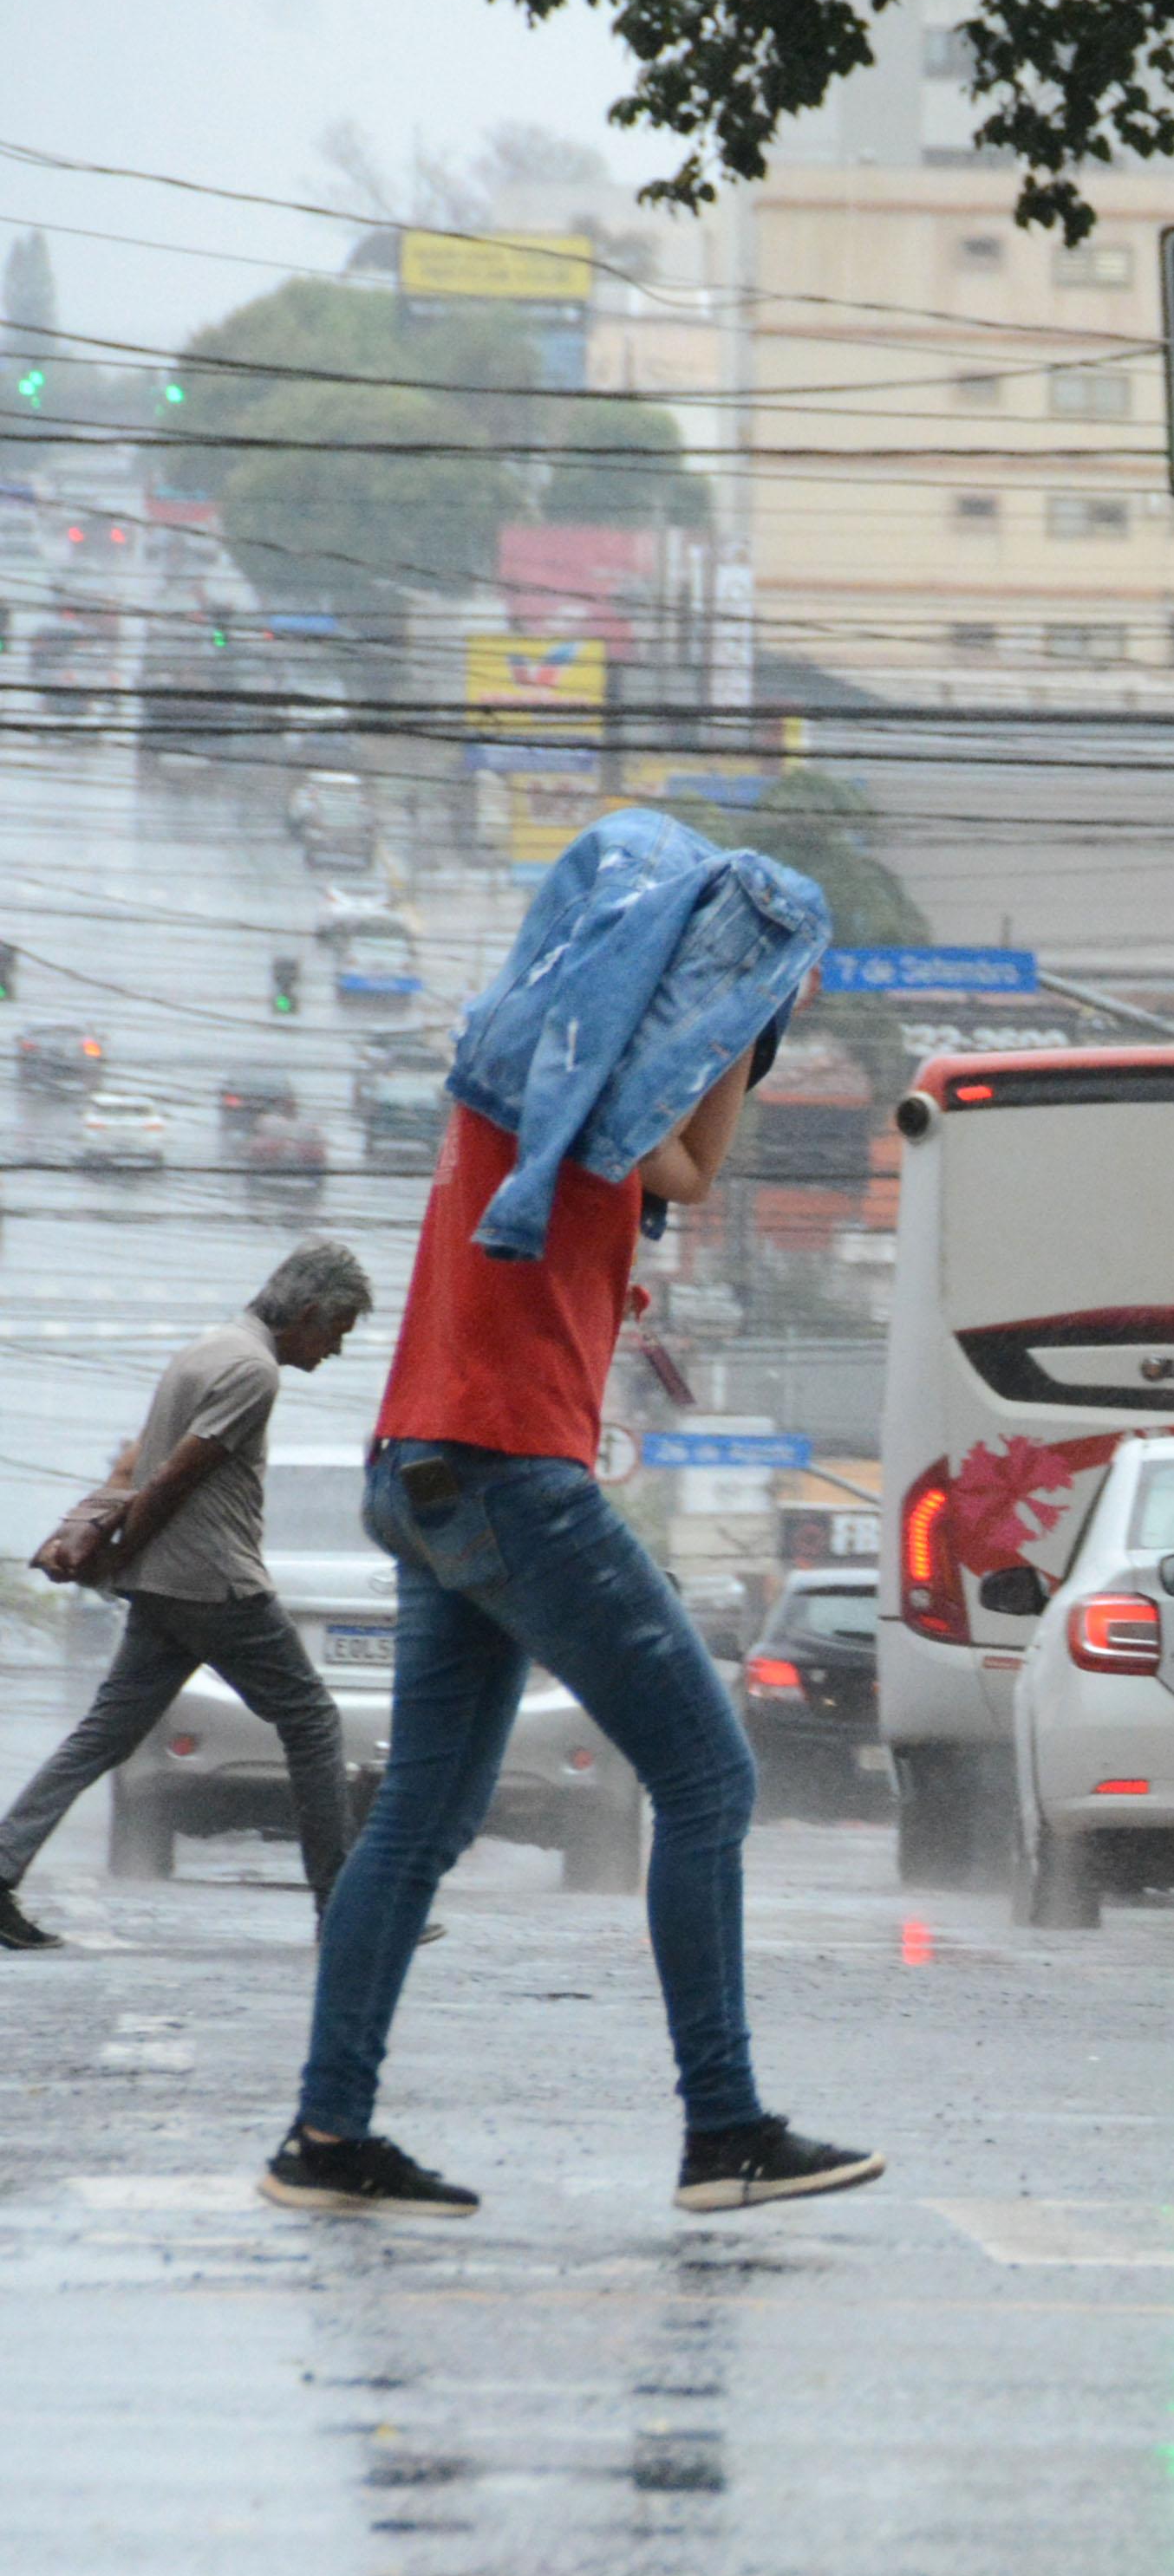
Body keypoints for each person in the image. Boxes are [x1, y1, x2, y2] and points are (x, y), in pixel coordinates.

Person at [269, 824, 872, 2222]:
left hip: (428, 1463)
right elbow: (690, 1168)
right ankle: (723, 2128)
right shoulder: (581, 1060)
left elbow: (686, 1165)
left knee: (419, 1817)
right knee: (712, 1782)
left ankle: (327, 2133)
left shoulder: (536, 1054)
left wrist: (734, 1028)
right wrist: (737, 1017)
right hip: (504, 1470)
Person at [1, 1242, 378, 1952]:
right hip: (215, 1583)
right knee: (313, 1721)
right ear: (306, 1314)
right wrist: (112, 1557)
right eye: (336, 1331)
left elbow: (134, 1460)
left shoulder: (205, 1348)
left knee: (104, 1736)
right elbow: (171, 1476)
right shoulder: (253, 1371)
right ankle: (345, 1908)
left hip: (167, 1588)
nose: (333, 1351)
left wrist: (107, 1549)